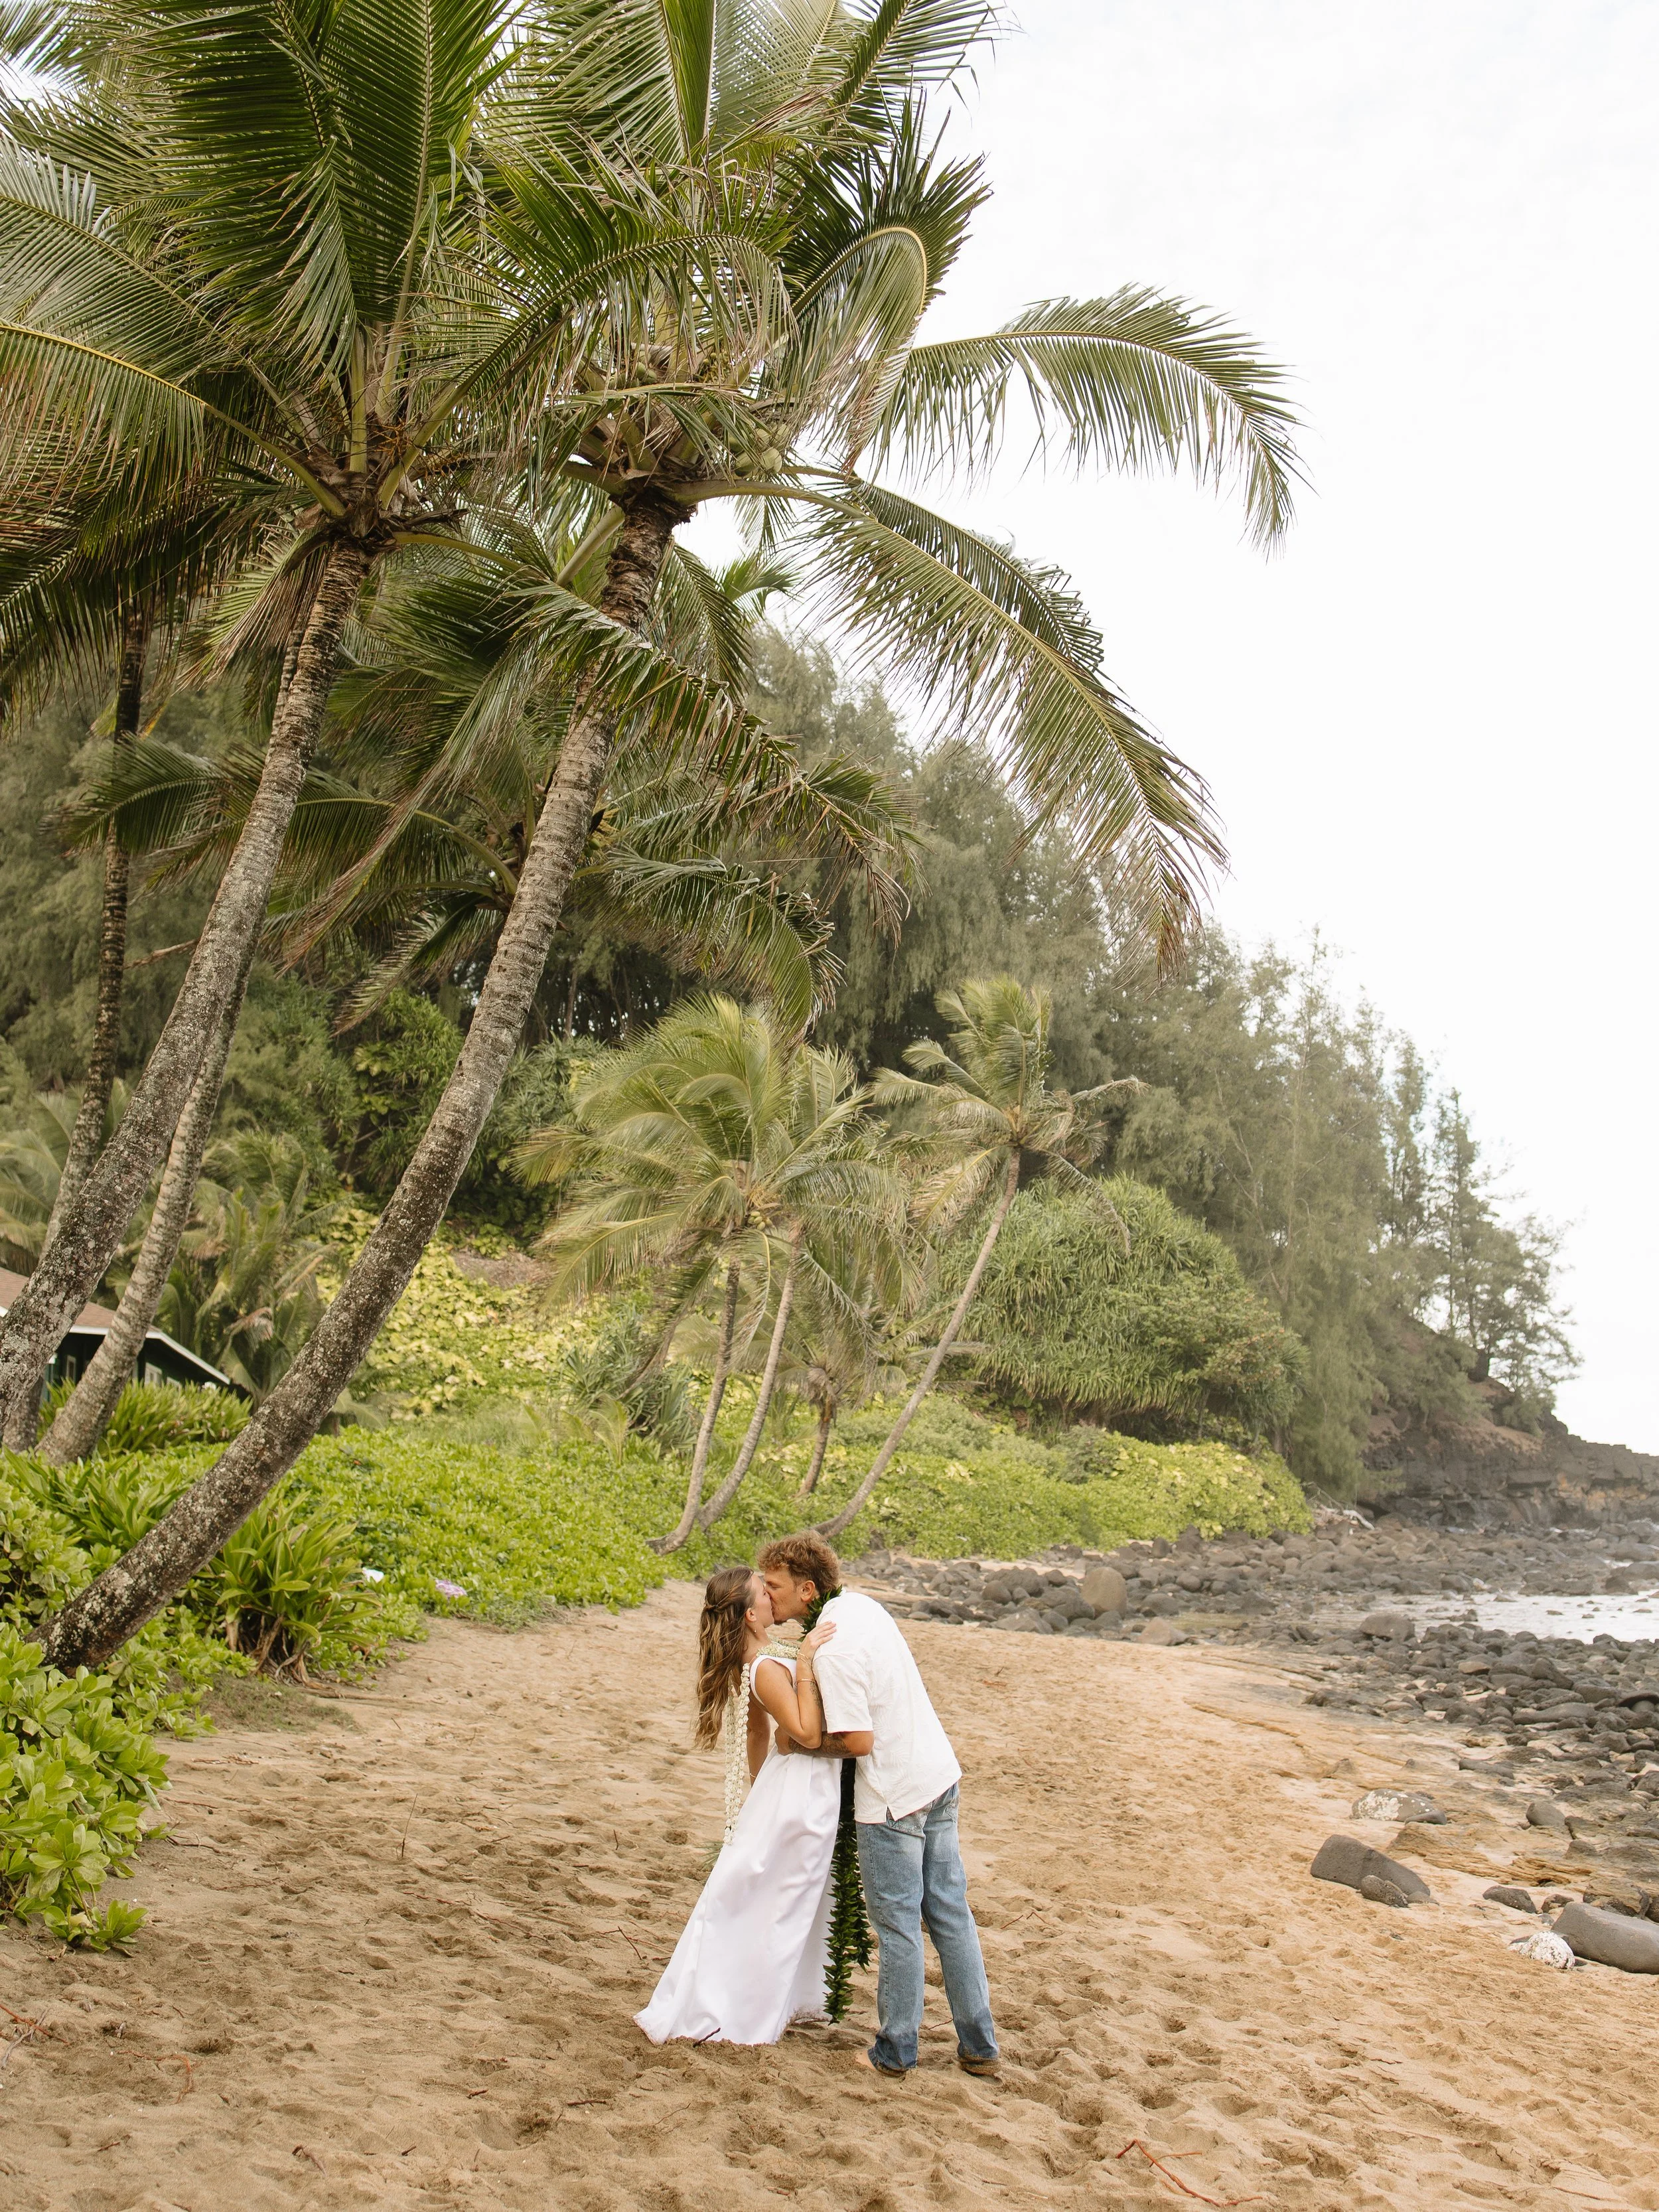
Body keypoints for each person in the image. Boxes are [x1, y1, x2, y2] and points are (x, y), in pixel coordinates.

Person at [758, 1533, 1000, 2081]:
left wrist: (797, 1742)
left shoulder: (835, 1649)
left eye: (774, 1587)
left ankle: (895, 2050)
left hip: (894, 1796)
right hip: (938, 1772)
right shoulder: (862, 1605)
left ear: (806, 1588)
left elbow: (858, 1741)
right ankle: (980, 2044)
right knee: (950, 1913)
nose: (767, 1597)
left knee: (897, 1926)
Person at [634, 1566, 843, 2045]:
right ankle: (742, 2006)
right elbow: (804, 1733)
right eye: (764, 1590)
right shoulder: (767, 1667)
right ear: (752, 1615)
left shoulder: (763, 1658)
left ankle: (758, 1995)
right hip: (799, 1787)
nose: (773, 1594)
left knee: (766, 1895)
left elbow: (757, 1732)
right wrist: (807, 1662)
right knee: (778, 1901)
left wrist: (757, 1791)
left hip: (782, 1783)